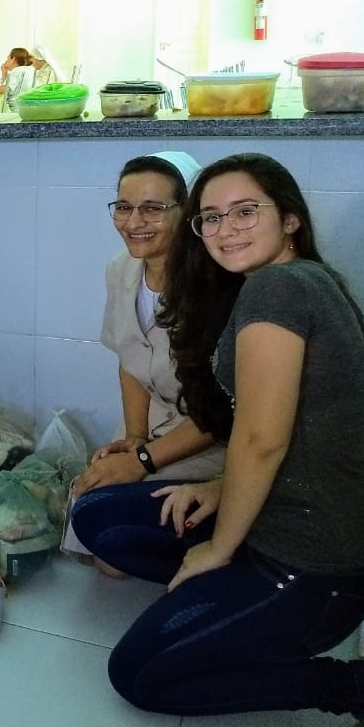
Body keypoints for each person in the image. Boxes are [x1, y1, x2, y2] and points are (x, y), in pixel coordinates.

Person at [69, 153, 364, 727]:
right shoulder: (280, 284)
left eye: (245, 212)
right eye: (211, 218)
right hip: (275, 525)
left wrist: (216, 545)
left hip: (314, 566)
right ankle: (226, 593)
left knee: (137, 673)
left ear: (289, 219)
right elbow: (272, 434)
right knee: (99, 516)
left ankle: (361, 686)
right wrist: (214, 492)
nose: (225, 229)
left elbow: (263, 440)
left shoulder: (278, 291)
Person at [65, 152, 225, 565]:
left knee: (114, 526)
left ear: (187, 209)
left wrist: (142, 460)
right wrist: (135, 435)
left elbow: (224, 409)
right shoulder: (122, 270)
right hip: (154, 415)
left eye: (153, 208)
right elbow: (129, 357)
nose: (134, 223)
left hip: (214, 433)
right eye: (123, 207)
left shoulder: (216, 283)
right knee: (95, 524)